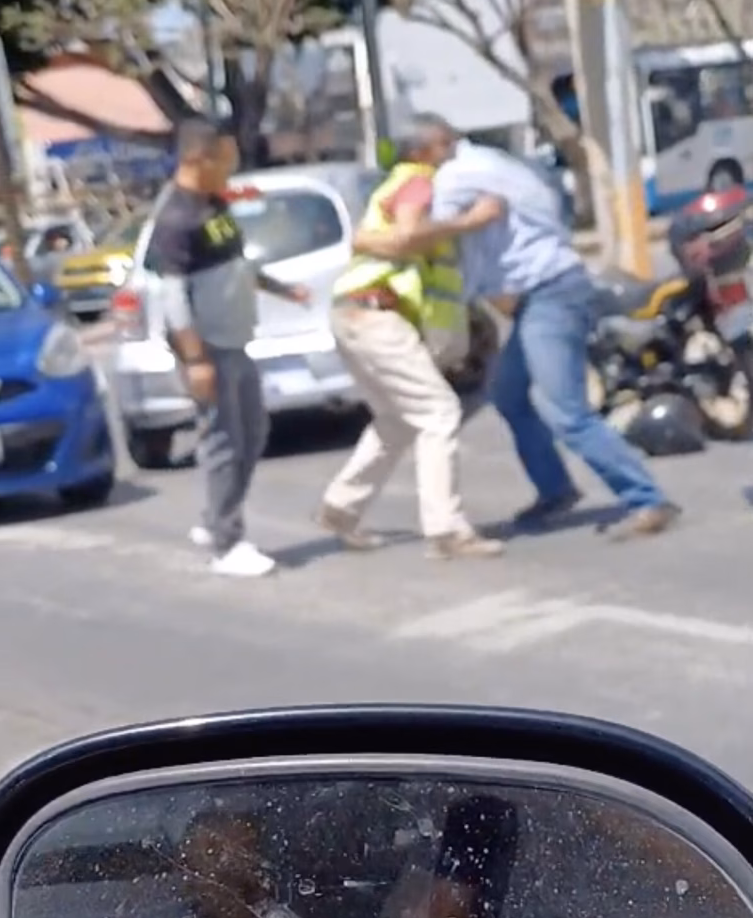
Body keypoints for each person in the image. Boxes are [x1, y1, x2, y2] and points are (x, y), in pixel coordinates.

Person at [356, 114, 680, 539]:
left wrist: (367, 241)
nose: (414, 167)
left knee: (566, 411)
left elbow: (418, 235)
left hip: (549, 291)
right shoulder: (493, 160)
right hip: (544, 291)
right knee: (508, 393)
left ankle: (647, 499)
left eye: (414, 156)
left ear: (430, 148)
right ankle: (556, 489)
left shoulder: (456, 177)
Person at [315, 123, 505, 559]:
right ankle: (446, 530)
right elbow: (405, 235)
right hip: (377, 314)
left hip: (355, 312)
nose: (453, 152)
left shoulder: (394, 184)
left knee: (397, 419)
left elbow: (379, 240)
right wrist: (470, 221)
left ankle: (341, 508)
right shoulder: (419, 181)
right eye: (446, 145)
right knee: (439, 412)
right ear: (423, 150)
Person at [148, 117, 310, 577]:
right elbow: (174, 298)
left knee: (253, 433)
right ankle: (226, 543)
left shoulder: (213, 203)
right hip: (209, 347)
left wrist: (282, 289)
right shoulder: (176, 218)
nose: (233, 166)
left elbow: (235, 265)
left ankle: (215, 517)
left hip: (236, 341)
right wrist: (196, 360)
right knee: (223, 441)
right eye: (227, 158)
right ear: (198, 159)